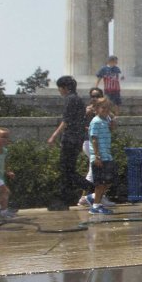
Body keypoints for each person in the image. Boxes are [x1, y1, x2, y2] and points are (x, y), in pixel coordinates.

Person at [47, 75, 95, 211]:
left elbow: (66, 120)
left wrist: (53, 136)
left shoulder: (70, 100)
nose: (60, 91)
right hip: (77, 138)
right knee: (68, 171)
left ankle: (91, 188)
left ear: (65, 88)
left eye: (60, 89)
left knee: (66, 170)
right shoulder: (78, 100)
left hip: (70, 139)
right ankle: (64, 200)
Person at [87, 98, 116, 215]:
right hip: (99, 157)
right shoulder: (96, 121)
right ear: (97, 109)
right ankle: (96, 205)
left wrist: (112, 121)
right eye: (103, 108)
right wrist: (97, 156)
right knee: (100, 183)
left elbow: (112, 129)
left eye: (108, 108)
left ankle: (94, 197)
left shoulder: (105, 121)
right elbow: (94, 139)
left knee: (108, 180)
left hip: (107, 156)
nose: (106, 110)